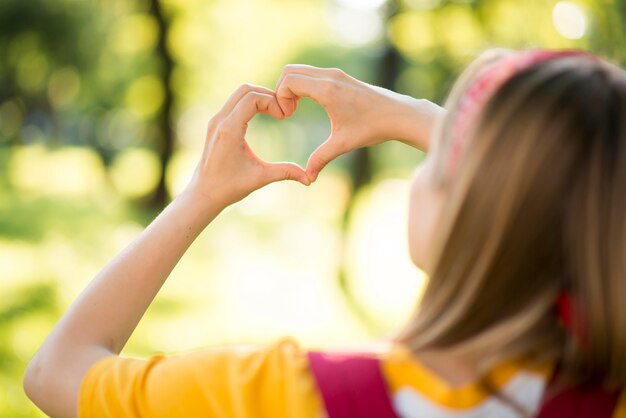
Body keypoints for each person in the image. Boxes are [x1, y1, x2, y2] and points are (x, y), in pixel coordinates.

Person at [23, 48, 626, 417]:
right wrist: (410, 113)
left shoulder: (284, 395)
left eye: (438, 158)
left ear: (466, 210)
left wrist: (200, 194)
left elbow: (56, 373)